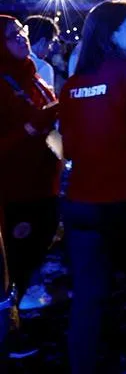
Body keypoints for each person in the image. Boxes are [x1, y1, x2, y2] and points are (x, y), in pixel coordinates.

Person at [59, 0, 126, 373]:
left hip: (81, 202)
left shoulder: (73, 84)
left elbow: (66, 146)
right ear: (111, 35)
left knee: (88, 298)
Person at [0, 16, 63, 319]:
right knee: (19, 254)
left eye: (22, 32)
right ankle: (14, 325)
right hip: (16, 186)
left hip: (45, 179)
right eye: (12, 35)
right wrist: (28, 128)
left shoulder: (34, 76)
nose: (22, 38)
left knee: (41, 239)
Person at [24, 15, 60, 89]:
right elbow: (47, 99)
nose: (50, 49)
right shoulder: (43, 67)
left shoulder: (9, 62)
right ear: (42, 42)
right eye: (50, 43)